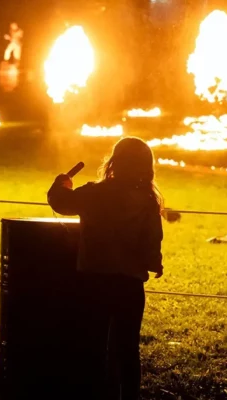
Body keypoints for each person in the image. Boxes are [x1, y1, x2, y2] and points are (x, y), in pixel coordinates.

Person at [47, 137, 164, 400]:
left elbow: (61, 202)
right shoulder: (147, 200)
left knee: (92, 344)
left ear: (114, 162)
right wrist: (154, 261)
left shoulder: (94, 193)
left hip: (94, 280)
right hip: (129, 284)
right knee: (128, 349)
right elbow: (152, 237)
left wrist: (61, 184)